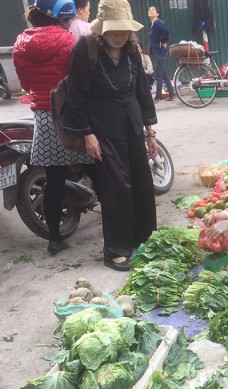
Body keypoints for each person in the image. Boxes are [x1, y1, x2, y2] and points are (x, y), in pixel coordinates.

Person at [64, 0, 158, 271]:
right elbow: (76, 94)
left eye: (124, 31)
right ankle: (115, 249)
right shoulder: (86, 48)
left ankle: (144, 239)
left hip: (131, 122)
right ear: (102, 28)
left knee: (141, 181)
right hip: (102, 127)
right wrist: (86, 133)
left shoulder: (131, 48)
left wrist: (150, 130)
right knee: (116, 187)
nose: (120, 36)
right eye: (115, 31)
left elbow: (141, 89)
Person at [14, 0, 94, 256]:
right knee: (98, 167)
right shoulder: (70, 41)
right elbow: (80, 80)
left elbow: (25, 82)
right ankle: (117, 224)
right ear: (63, 17)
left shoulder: (20, 44)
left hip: (43, 115)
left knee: (54, 180)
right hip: (71, 113)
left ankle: (55, 240)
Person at [147, 6, 174, 101]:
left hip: (160, 52)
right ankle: (171, 95)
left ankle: (158, 96)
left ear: (157, 14)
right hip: (157, 52)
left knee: (158, 74)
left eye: (153, 10)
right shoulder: (152, 24)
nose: (150, 11)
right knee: (164, 75)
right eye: (149, 10)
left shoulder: (158, 22)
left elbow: (166, 31)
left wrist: (163, 40)